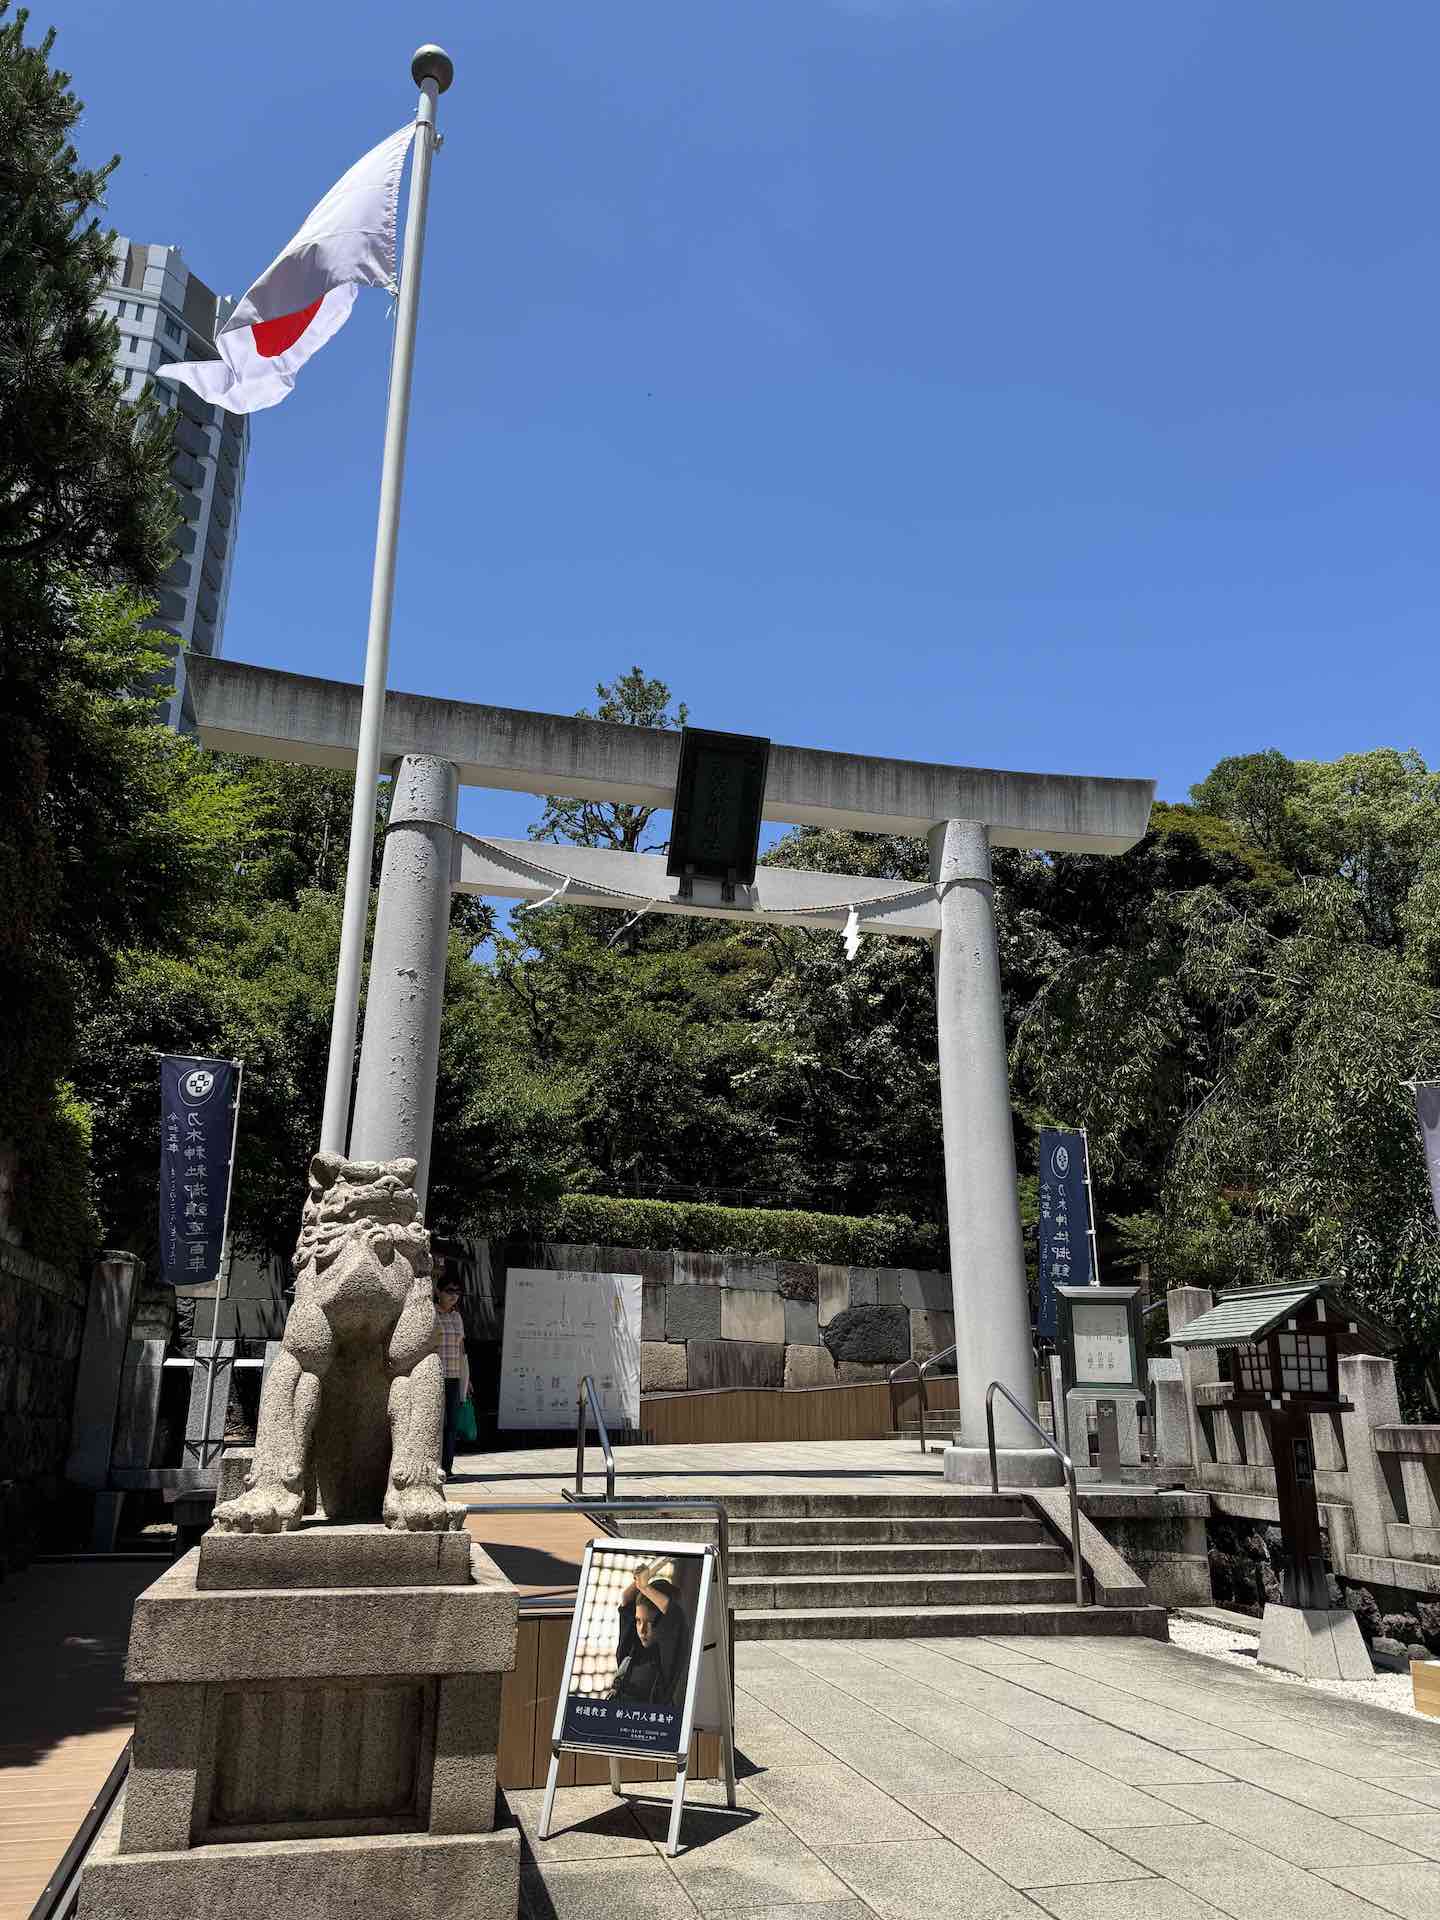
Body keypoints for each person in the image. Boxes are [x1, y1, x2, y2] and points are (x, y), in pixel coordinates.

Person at [609, 1559, 688, 1706]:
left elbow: (673, 1615)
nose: (642, 1630)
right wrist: (644, 1578)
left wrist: (645, 1587)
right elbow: (626, 1599)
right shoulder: (632, 1652)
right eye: (638, 1621)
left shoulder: (668, 1658)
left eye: (650, 1623)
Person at [435, 1279, 471, 1477]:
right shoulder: (432, 1313)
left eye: (457, 1291)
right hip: (437, 1376)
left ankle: (448, 1468)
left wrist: (468, 1377)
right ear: (438, 1291)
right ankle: (435, 1465)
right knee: (437, 1423)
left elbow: (461, 1347)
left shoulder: (457, 1317)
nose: (453, 1295)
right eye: (449, 1290)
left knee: (452, 1425)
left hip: (456, 1376)